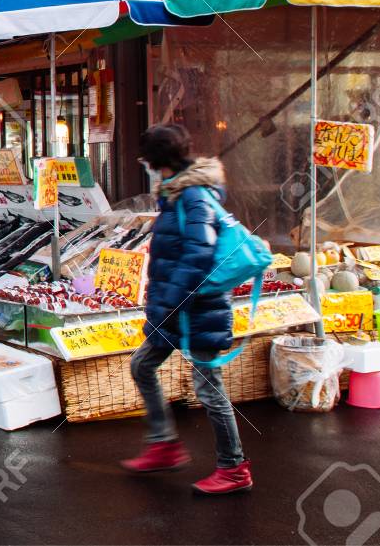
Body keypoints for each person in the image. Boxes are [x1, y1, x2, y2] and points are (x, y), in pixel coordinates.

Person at [121, 124, 251, 495]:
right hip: (176, 308)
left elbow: (198, 256)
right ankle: (164, 444)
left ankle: (234, 467)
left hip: (197, 309)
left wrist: (167, 302)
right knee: (141, 366)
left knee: (209, 390)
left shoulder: (193, 196)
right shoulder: (175, 191)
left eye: (145, 158)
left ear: (155, 160)